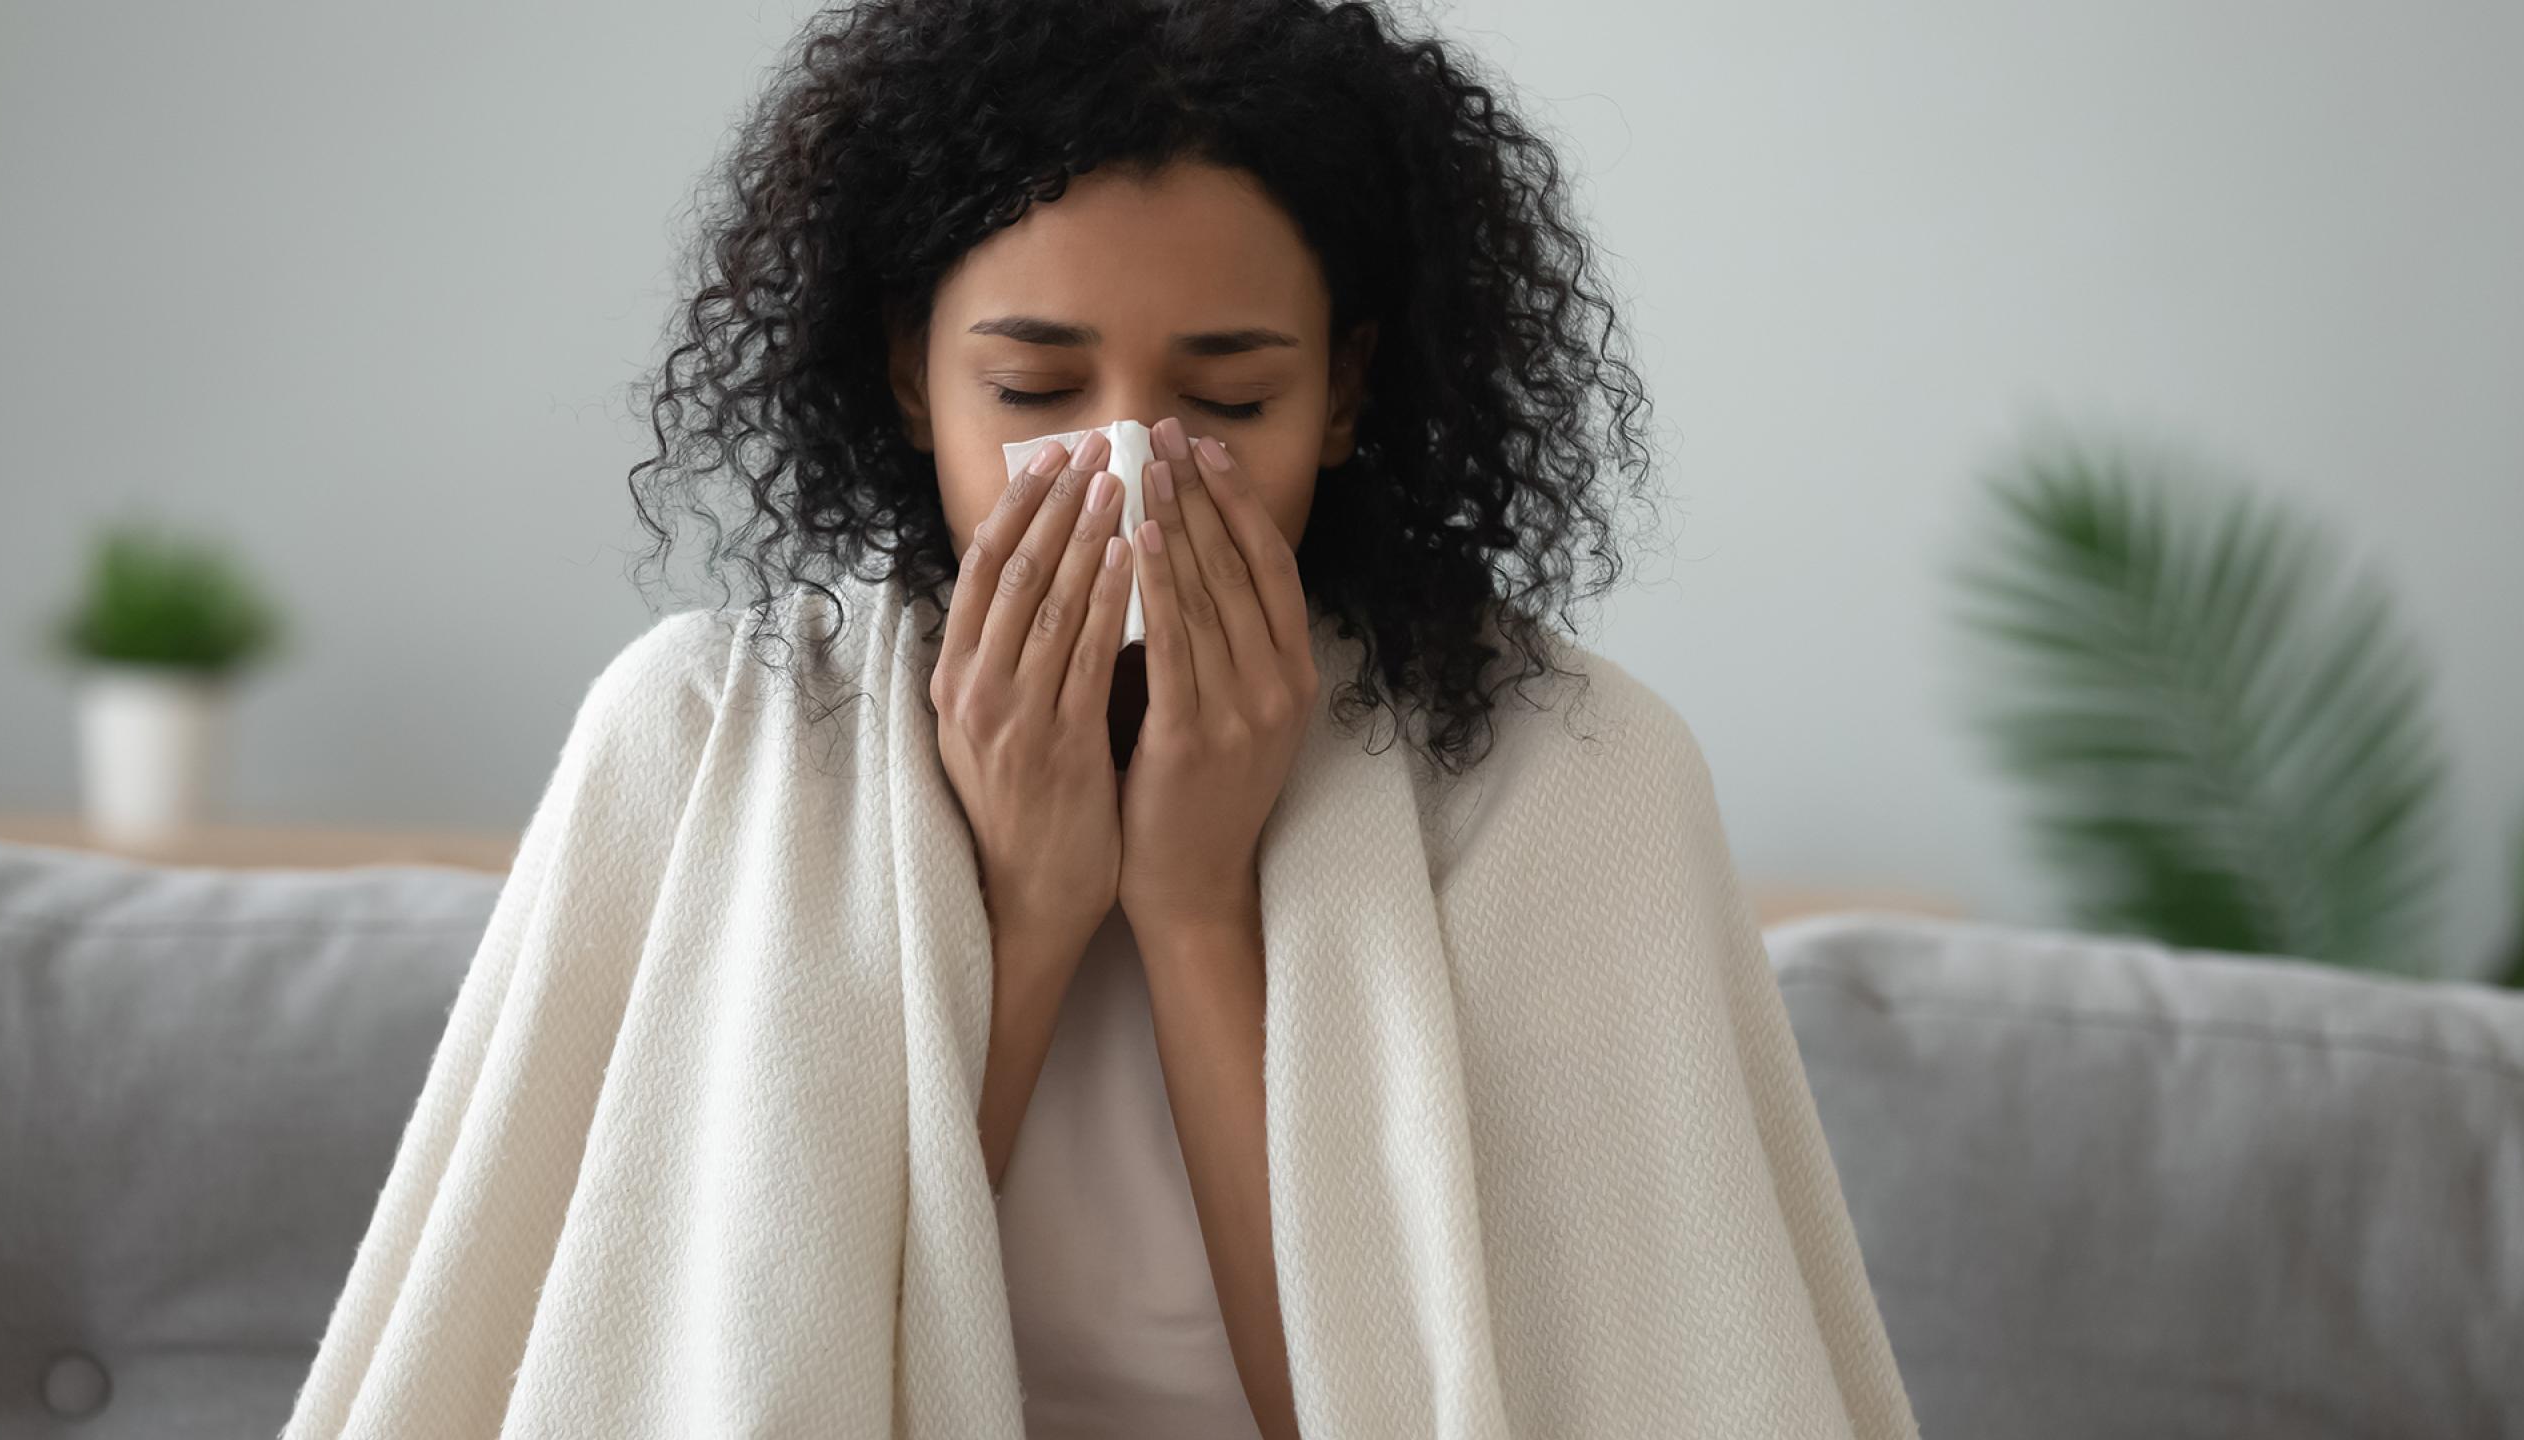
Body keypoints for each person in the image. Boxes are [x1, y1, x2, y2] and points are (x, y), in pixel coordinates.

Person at [284, 1, 1920, 1436]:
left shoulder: (1568, 770)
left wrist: (1196, 907)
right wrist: (1026, 905)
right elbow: (748, 1380)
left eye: (1226, 400)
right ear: (908, 373)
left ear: (1344, 396)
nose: (1130, 472)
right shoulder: (705, 738)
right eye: (1032, 390)